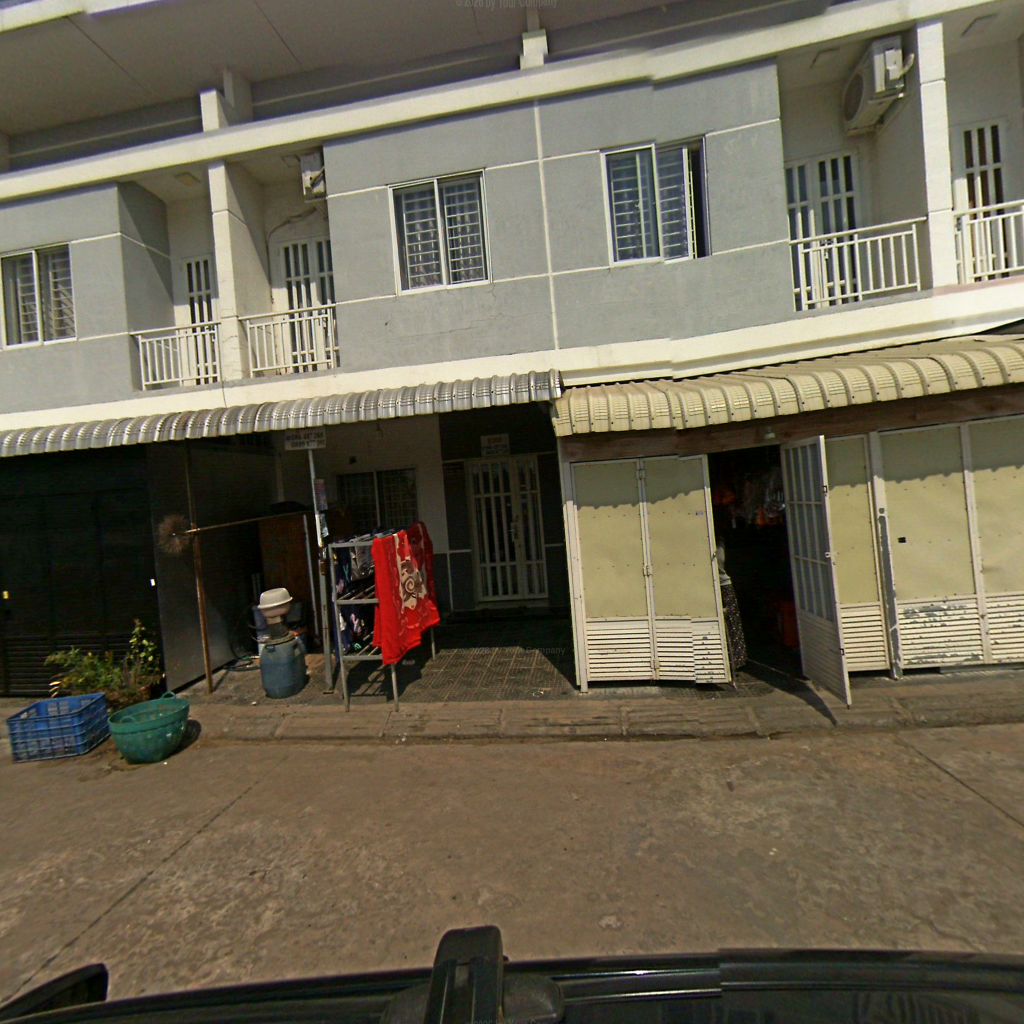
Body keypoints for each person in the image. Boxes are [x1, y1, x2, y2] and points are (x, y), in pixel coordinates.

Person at [716, 542, 747, 674]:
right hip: (716, 584)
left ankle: (736, 660)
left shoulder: (718, 546)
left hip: (723, 585)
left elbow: (719, 564)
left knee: (731, 623)